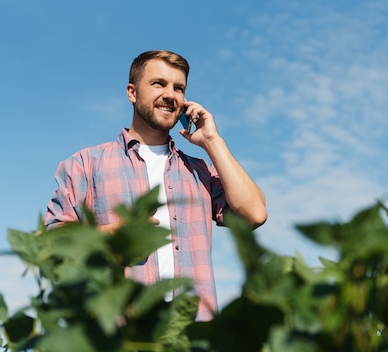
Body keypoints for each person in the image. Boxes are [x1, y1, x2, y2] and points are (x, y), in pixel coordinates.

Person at [44, 50, 267, 320]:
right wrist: (119, 234)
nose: (171, 94)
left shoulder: (199, 172)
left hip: (192, 341)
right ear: (132, 92)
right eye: (158, 84)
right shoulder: (84, 164)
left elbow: (254, 214)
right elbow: (53, 244)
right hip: (119, 339)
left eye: (179, 88)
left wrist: (212, 142)